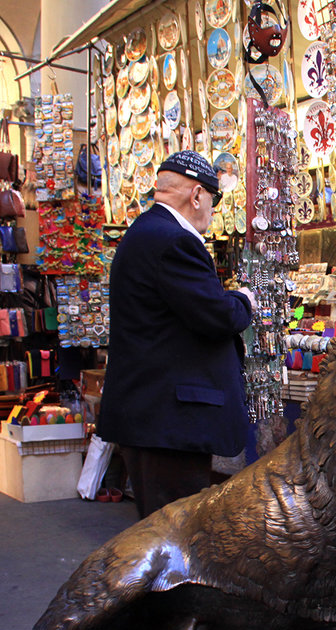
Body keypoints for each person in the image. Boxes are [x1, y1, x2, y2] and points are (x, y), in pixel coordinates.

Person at [98, 151, 255, 519]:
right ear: (197, 195)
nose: (211, 215)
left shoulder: (147, 232)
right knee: (176, 534)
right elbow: (215, 315)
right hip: (166, 422)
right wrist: (243, 300)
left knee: (165, 531)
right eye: (213, 204)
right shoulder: (174, 242)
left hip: (155, 417)